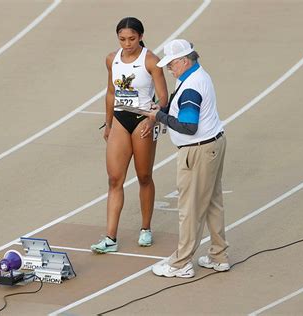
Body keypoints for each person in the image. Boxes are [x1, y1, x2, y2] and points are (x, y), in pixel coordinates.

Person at [146, 39, 230, 277]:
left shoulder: (191, 87)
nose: (169, 69)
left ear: (184, 61)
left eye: (171, 64)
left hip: (197, 151)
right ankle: (218, 255)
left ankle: (181, 263)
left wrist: (159, 118)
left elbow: (188, 126)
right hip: (213, 144)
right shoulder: (197, 75)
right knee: (213, 203)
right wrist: (162, 111)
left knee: (189, 208)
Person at [91, 17, 168, 253]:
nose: (127, 44)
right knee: (115, 179)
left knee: (144, 176)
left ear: (141, 37)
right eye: (122, 39)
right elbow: (111, 92)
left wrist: (151, 117)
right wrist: (108, 123)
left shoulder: (152, 61)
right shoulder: (111, 59)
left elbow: (163, 97)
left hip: (142, 120)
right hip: (120, 120)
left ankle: (145, 228)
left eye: (132, 39)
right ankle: (110, 237)